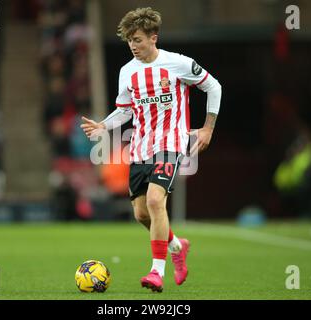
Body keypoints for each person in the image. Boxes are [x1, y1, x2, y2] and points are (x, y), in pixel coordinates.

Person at [81, 7, 222, 292]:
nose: (133, 46)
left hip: (171, 143)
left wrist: (207, 128)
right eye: (129, 40)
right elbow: (124, 112)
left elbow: (213, 87)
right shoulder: (127, 73)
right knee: (142, 214)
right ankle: (176, 245)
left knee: (157, 202)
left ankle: (157, 272)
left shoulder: (178, 64)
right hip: (140, 146)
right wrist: (103, 126)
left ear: (153, 38)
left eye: (138, 40)